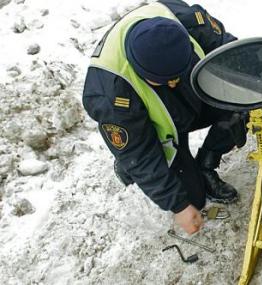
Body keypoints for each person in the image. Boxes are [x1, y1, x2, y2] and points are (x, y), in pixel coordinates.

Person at [82, 0, 247, 234]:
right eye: (166, 80)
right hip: (155, 125)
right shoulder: (110, 94)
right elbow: (139, 155)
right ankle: (126, 163)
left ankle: (206, 164)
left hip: (192, 99)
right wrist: (178, 205)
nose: (173, 82)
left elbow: (231, 52)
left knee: (241, 102)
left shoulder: (187, 21)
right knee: (193, 200)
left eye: (177, 76)